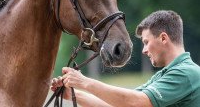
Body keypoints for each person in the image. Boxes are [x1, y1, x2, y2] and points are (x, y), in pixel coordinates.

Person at [51, 10, 200, 107]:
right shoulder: (164, 76)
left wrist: (83, 82)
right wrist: (74, 95)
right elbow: (121, 104)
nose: (144, 50)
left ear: (163, 38)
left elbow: (137, 102)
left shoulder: (187, 73)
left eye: (146, 42)